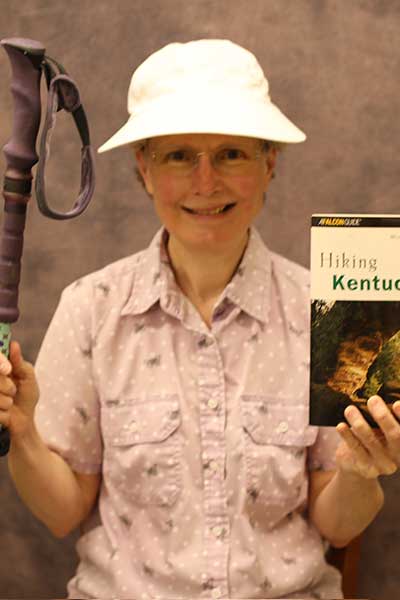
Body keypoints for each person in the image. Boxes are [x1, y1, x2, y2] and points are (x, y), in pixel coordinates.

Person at [1, 39, 399, 600]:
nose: (205, 181)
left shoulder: (339, 310)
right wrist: (22, 436)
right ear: (144, 168)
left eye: (232, 153)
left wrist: (362, 472)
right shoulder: (90, 307)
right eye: (179, 155)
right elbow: (64, 510)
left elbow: (337, 525)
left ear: (269, 164)